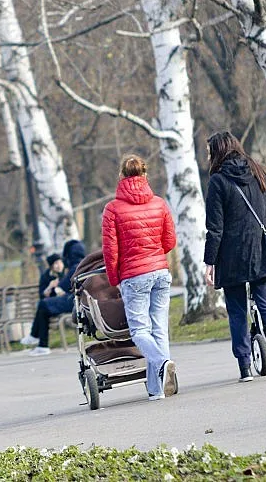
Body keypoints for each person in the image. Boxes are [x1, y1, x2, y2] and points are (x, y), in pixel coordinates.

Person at [202, 131, 266, 382]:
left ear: (218, 151)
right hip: (260, 251)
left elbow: (215, 228)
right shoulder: (258, 170)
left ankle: (245, 368)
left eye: (209, 152)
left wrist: (209, 262)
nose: (208, 157)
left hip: (231, 258)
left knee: (237, 312)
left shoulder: (217, 181)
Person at [101, 154, 178, 401]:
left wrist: (114, 279)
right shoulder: (159, 204)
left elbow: (110, 251)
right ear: (145, 174)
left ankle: (162, 362)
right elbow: (170, 241)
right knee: (159, 329)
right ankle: (157, 389)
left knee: (140, 331)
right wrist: (154, 255)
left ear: (121, 176)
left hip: (134, 276)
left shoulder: (112, 209)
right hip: (160, 272)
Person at [19, 239, 86, 356]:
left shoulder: (75, 267)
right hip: (78, 300)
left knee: (44, 304)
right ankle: (41, 344)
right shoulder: (83, 264)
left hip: (75, 302)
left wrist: (56, 286)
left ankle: (37, 339)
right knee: (44, 306)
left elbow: (63, 286)